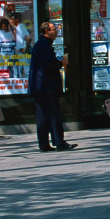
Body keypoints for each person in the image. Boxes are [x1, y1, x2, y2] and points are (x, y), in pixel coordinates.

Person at [28, 22, 75, 152]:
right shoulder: (44, 45)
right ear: (46, 31)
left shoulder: (41, 44)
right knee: (53, 114)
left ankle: (44, 143)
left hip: (40, 87)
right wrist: (62, 62)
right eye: (54, 29)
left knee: (42, 115)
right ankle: (59, 142)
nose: (56, 32)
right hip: (46, 86)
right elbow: (49, 64)